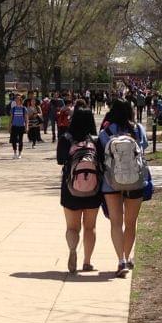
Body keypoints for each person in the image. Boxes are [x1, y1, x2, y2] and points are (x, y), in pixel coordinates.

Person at [98, 98, 148, 278]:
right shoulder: (138, 129)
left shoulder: (106, 132)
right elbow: (143, 150)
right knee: (131, 222)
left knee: (116, 222)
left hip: (111, 182)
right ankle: (128, 256)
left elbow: (102, 154)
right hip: (135, 181)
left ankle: (120, 260)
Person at [56, 108, 101, 274]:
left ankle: (73, 250)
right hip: (94, 189)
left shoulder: (66, 139)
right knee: (90, 227)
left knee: (72, 227)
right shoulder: (95, 140)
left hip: (70, 188)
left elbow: (60, 160)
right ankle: (87, 262)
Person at [8, 94, 28, 159]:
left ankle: (19, 153)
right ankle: (15, 153)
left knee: (20, 140)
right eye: (16, 99)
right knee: (13, 140)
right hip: (14, 126)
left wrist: (26, 126)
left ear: (20, 100)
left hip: (21, 126)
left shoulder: (23, 109)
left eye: (18, 99)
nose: (17, 100)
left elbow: (26, 119)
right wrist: (9, 127)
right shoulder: (13, 109)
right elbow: (11, 118)